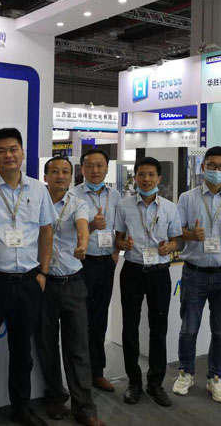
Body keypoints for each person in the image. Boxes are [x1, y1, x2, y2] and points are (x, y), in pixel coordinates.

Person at [0, 128, 56, 426]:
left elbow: (46, 231)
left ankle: (21, 408)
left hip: (28, 282)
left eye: (13, 149)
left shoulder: (38, 189)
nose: (8, 155)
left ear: (22, 152)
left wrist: (43, 272)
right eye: (2, 150)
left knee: (22, 352)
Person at [172, 146, 221, 404]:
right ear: (203, 167)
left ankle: (215, 378)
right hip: (194, 274)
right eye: (212, 165)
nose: (217, 170)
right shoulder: (187, 198)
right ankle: (186, 373)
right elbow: (177, 232)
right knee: (188, 329)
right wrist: (191, 235)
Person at [35, 156, 106, 426]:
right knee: (47, 345)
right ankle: (55, 397)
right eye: (55, 171)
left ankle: (85, 407)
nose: (61, 176)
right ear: (46, 176)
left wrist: (83, 243)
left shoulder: (78, 203)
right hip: (44, 282)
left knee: (78, 347)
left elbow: (82, 226)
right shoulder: (36, 201)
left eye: (65, 171)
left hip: (73, 282)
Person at [114, 157, 181, 407]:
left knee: (158, 328)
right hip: (132, 270)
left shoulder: (170, 208)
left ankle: (155, 383)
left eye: (151, 174)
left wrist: (169, 248)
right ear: (135, 177)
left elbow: (177, 241)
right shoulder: (124, 206)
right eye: (141, 174)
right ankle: (134, 382)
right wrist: (123, 244)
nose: (146, 179)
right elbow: (118, 239)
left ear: (159, 179)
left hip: (160, 272)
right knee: (130, 327)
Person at [72, 148, 122, 393]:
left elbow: (120, 226)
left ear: (107, 168)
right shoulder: (73, 195)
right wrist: (91, 226)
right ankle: (79, 375)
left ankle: (97, 372)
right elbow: (67, 232)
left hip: (106, 264)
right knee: (80, 321)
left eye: (100, 165)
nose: (95, 170)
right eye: (90, 166)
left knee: (100, 319)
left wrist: (117, 250)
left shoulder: (115, 195)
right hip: (82, 264)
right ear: (82, 169)